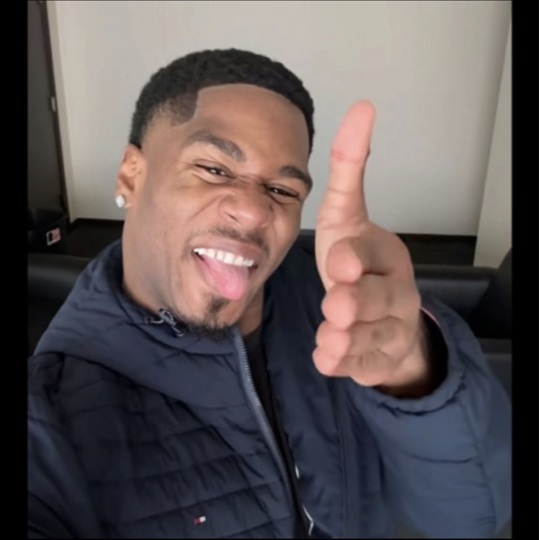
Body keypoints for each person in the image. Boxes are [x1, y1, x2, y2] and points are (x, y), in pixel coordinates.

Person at [28, 48, 511, 539]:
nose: (256, 212)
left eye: (283, 191)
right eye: (214, 169)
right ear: (132, 174)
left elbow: (471, 520)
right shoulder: (52, 410)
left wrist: (413, 375)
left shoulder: (347, 312)